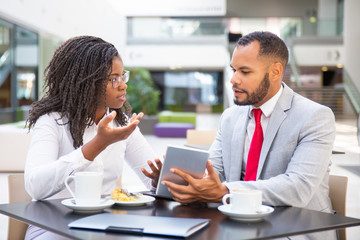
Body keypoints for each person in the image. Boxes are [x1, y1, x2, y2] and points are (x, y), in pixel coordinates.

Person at [161, 31, 336, 214]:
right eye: (233, 70)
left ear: (275, 71)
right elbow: (213, 171)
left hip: (297, 227)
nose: (233, 79)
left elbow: (298, 188)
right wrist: (176, 179)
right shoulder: (230, 117)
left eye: (244, 71)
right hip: (235, 220)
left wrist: (226, 191)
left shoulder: (315, 117)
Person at [24, 35, 161, 240]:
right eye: (113, 78)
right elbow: (35, 187)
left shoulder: (121, 124)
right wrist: (98, 144)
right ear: (85, 82)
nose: (122, 85)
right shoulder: (52, 121)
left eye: (123, 76)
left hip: (105, 224)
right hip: (52, 227)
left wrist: (158, 180)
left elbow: (149, 176)